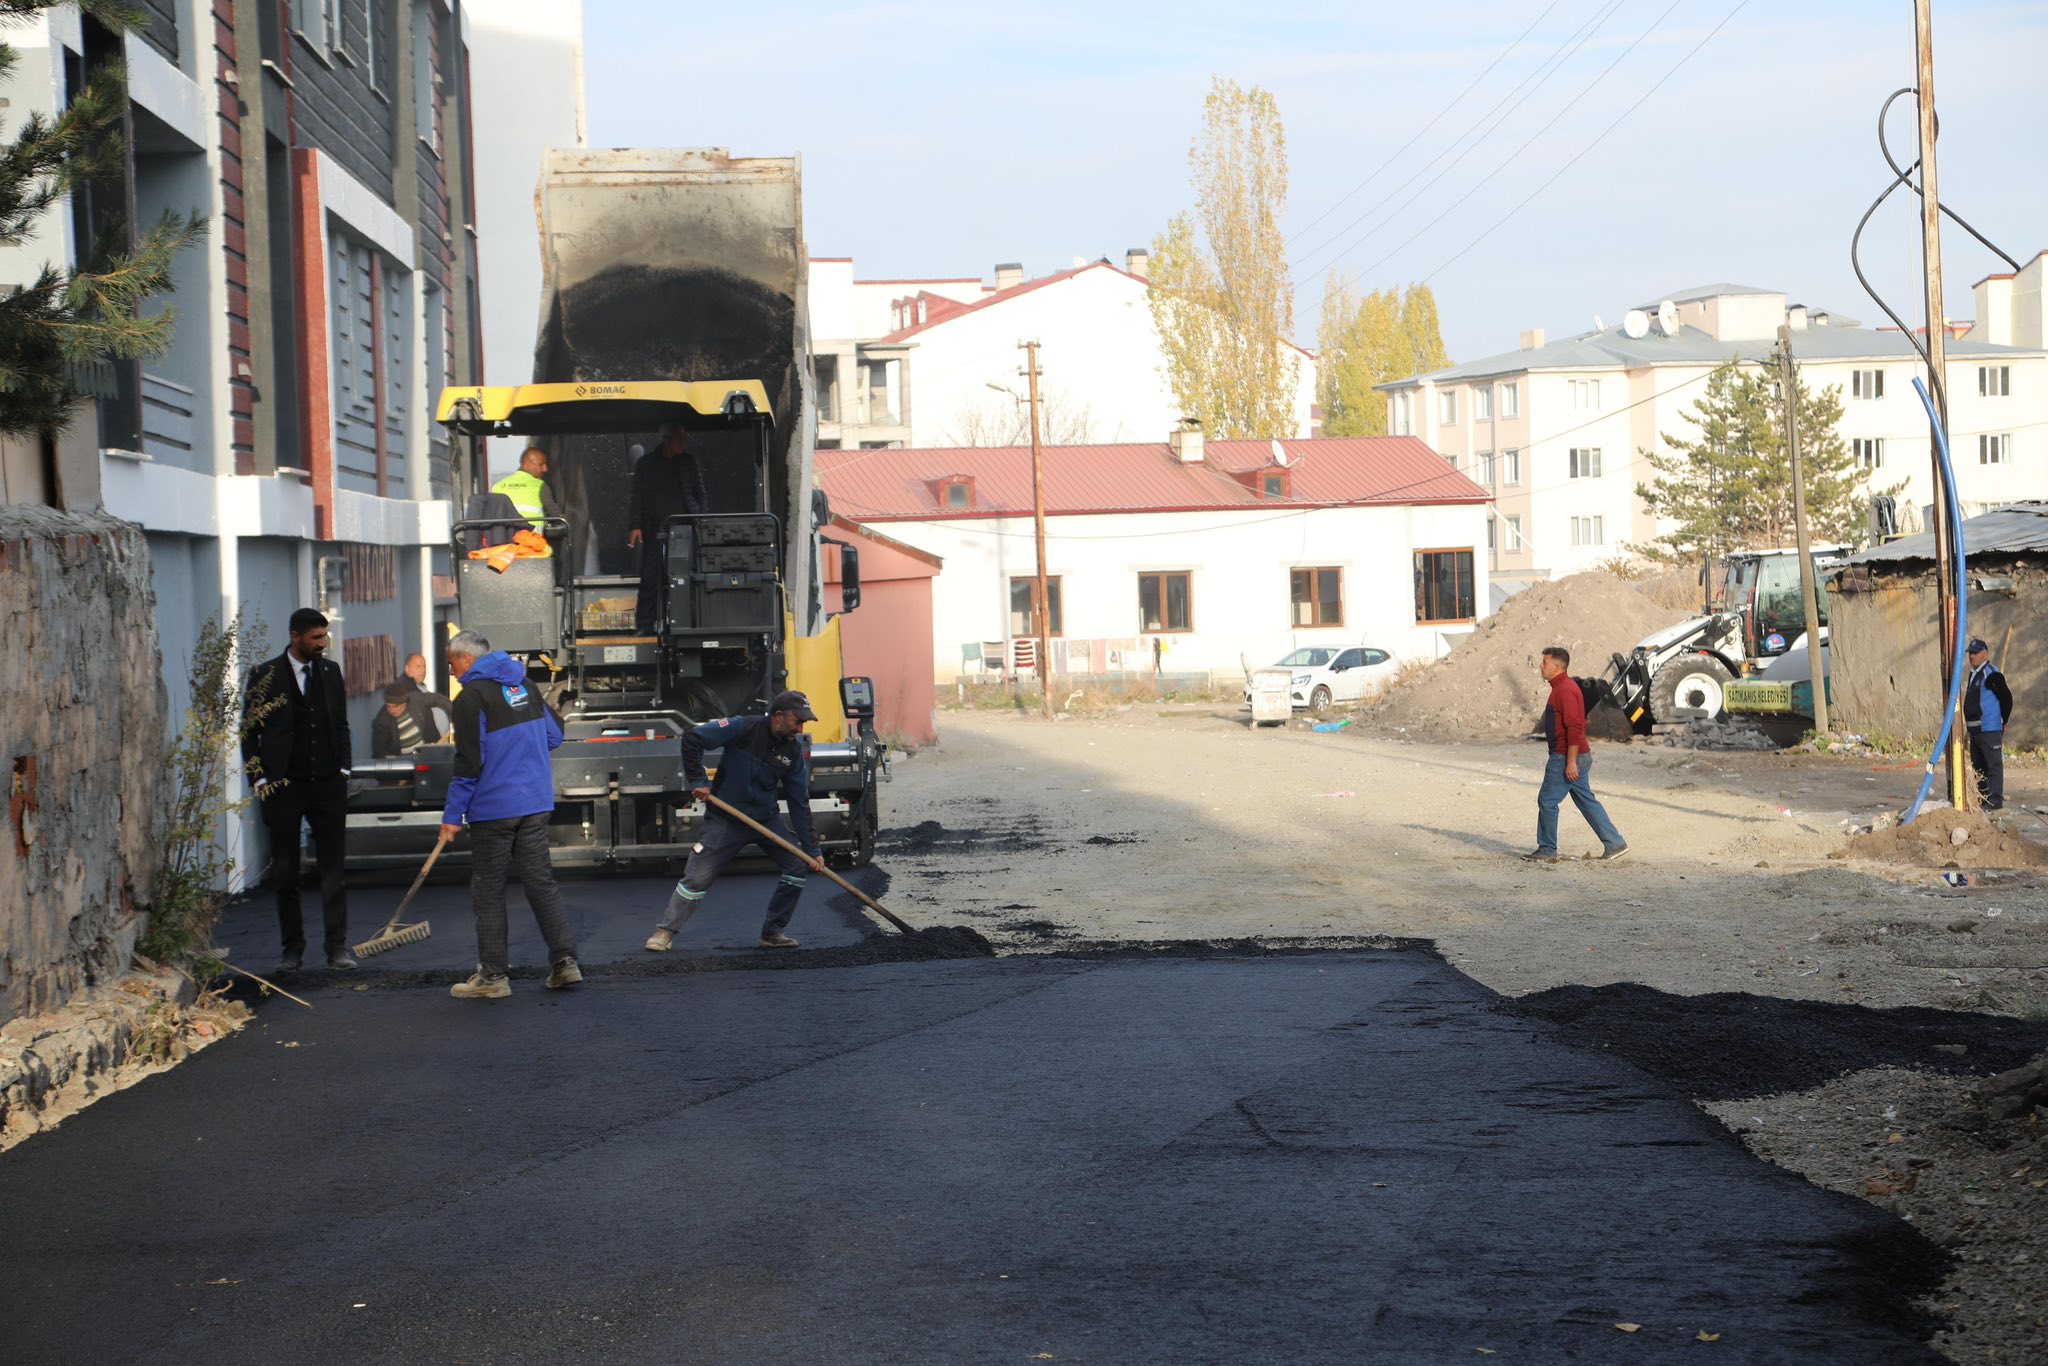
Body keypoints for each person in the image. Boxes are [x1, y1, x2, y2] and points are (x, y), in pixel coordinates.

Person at [440, 630, 580, 999]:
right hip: (535, 802)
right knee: (540, 882)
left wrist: (452, 815)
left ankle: (493, 977)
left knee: (488, 889)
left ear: (467, 660)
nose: (451, 670)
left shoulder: (470, 697)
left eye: (452, 661)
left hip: (494, 808)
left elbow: (469, 761)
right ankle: (565, 963)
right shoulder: (527, 686)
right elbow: (554, 736)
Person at [645, 691, 827, 953]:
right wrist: (699, 781)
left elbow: (799, 801)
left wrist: (813, 850)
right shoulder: (743, 727)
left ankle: (773, 933)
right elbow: (693, 738)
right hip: (727, 817)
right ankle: (665, 932)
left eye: (803, 724)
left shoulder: (792, 751)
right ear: (778, 716)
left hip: (766, 821)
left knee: (797, 867)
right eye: (797, 721)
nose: (800, 729)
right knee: (698, 877)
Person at [242, 607, 354, 973]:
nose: (323, 644)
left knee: (333, 870)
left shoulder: (330, 671)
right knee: (286, 872)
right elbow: (249, 733)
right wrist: (259, 780)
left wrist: (343, 769)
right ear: (296, 637)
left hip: (326, 784)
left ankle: (337, 948)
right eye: (316, 638)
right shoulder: (264, 675)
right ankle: (292, 950)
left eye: (324, 637)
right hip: (282, 787)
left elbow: (340, 724)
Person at [1525, 645, 1628, 863]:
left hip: (1566, 756)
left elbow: (1574, 728)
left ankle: (1547, 849)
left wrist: (1570, 762)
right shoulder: (1563, 688)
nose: (1540, 666)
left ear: (1556, 666)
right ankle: (1615, 843)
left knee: (1547, 800)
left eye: (1544, 662)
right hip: (1573, 755)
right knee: (1585, 800)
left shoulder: (1565, 689)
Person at [627, 422, 709, 630]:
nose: (684, 442)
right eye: (679, 438)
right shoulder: (646, 464)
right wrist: (636, 526)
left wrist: (702, 521)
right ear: (667, 440)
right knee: (650, 578)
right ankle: (645, 625)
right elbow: (637, 497)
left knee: (686, 577)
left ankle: (690, 623)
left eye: (684, 438)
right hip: (657, 529)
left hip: (685, 529)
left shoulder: (689, 462)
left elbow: (700, 494)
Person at [1965, 637, 2014, 811]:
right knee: (1979, 767)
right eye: (1970, 653)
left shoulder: (1991, 673)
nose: (1972, 656)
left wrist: (2004, 719)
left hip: (1989, 729)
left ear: (1985, 654)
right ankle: (1983, 799)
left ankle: (1995, 802)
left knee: (1992, 766)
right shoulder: (1974, 674)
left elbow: (2006, 697)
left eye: (1975, 652)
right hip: (1975, 730)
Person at [490, 445, 562, 533]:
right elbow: (555, 515)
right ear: (527, 464)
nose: (545, 469)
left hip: (504, 542)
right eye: (541, 464)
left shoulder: (497, 486)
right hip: (531, 542)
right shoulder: (539, 485)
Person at [398, 652, 453, 742]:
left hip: (440, 747)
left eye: (424, 666)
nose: (423, 670)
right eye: (418, 667)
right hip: (426, 749)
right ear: (407, 669)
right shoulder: (405, 693)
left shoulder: (422, 689)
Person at [371, 681, 429, 757]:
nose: (391, 710)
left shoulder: (413, 706)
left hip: (422, 756)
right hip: (401, 762)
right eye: (388, 706)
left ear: (404, 703)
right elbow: (379, 750)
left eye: (395, 706)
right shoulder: (382, 720)